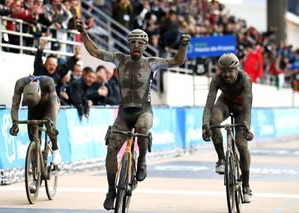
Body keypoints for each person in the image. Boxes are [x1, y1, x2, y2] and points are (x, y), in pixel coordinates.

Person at [74, 19, 190, 210]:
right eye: (133, 42)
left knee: (143, 128)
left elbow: (176, 60)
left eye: (140, 43)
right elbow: (94, 51)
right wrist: (84, 32)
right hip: (124, 113)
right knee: (111, 148)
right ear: (128, 44)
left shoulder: (151, 62)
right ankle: (111, 191)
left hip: (144, 111)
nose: (136, 46)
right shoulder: (119, 59)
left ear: (145, 45)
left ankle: (142, 160)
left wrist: (183, 45)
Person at [201, 52, 254, 203]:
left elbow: (247, 108)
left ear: (237, 69)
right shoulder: (216, 79)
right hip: (224, 102)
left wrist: (247, 128)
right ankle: (221, 160)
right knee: (214, 121)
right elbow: (209, 105)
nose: (227, 75)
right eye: (223, 72)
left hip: (241, 108)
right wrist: (205, 124)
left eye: (230, 71)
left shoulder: (246, 80)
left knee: (241, 144)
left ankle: (246, 186)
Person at [9, 75, 61, 168]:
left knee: (49, 127)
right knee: (32, 136)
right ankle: (37, 161)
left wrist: (53, 126)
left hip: (49, 105)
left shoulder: (48, 82)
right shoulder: (20, 84)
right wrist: (14, 124)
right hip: (33, 108)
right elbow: (15, 105)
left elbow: (54, 104)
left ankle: (55, 149)